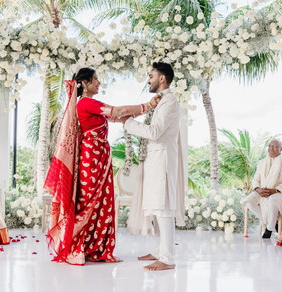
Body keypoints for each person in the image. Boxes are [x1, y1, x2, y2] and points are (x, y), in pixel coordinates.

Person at [44, 67, 159, 265]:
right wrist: (147, 105)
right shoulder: (86, 103)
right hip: (91, 158)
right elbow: (118, 111)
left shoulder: (91, 105)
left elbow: (117, 117)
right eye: (95, 79)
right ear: (85, 84)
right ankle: (78, 245)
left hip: (100, 157)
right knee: (88, 202)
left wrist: (138, 117)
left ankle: (94, 248)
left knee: (100, 203)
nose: (99, 83)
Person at [121, 62, 186, 271]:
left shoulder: (169, 103)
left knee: (164, 209)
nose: (148, 80)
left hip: (163, 161)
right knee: (157, 209)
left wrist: (129, 123)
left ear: (162, 78)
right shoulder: (160, 102)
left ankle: (167, 259)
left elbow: (155, 132)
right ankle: (158, 251)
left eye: (151, 76)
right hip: (154, 161)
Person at [241, 139, 282, 238]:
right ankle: (272, 223)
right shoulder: (261, 162)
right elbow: (256, 179)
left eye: (275, 146)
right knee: (247, 201)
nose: (271, 148)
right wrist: (258, 189)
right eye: (270, 146)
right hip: (261, 191)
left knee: (272, 200)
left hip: (278, 192)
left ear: (281, 149)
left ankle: (269, 229)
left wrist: (274, 190)